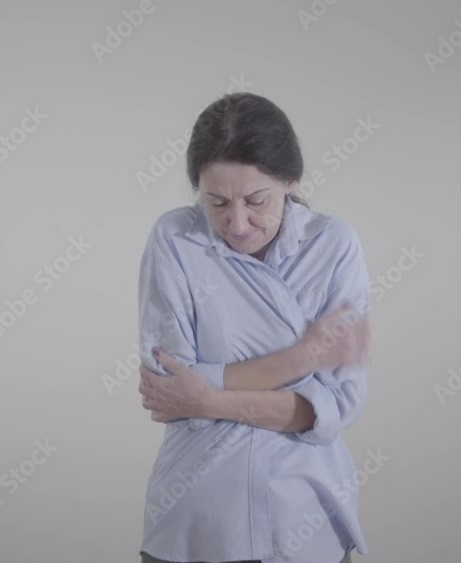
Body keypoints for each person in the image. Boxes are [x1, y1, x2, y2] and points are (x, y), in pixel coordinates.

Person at [136, 92, 372, 563]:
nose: (238, 223)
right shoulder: (177, 239)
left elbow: (336, 405)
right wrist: (302, 359)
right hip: (197, 513)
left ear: (289, 180)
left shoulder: (334, 245)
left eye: (256, 200)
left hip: (304, 514)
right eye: (217, 202)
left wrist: (208, 399)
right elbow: (168, 384)